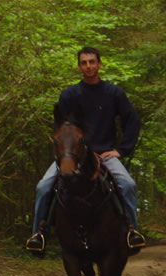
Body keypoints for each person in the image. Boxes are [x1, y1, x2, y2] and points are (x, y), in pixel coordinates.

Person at [26, 47, 145, 253]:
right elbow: (61, 127)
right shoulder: (70, 95)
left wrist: (121, 150)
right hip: (72, 156)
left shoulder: (113, 93)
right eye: (84, 62)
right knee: (43, 187)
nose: (88, 66)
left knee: (127, 184)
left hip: (104, 154)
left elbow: (132, 121)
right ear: (79, 66)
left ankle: (130, 232)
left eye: (92, 61)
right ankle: (38, 234)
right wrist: (64, 152)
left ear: (99, 64)